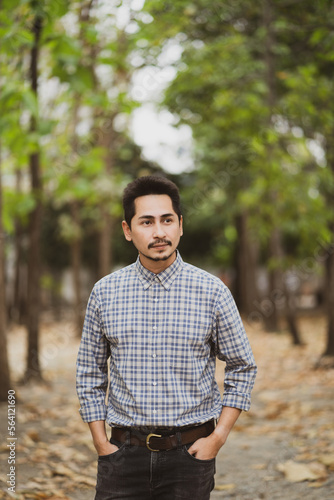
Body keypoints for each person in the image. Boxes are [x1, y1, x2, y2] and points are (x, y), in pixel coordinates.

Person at [76, 175, 257, 500]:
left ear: (180, 225)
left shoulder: (212, 292)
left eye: (167, 220)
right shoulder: (105, 293)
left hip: (191, 454)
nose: (159, 232)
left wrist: (219, 437)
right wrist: (101, 442)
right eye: (146, 222)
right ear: (128, 230)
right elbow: (89, 373)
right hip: (122, 453)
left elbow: (242, 367)